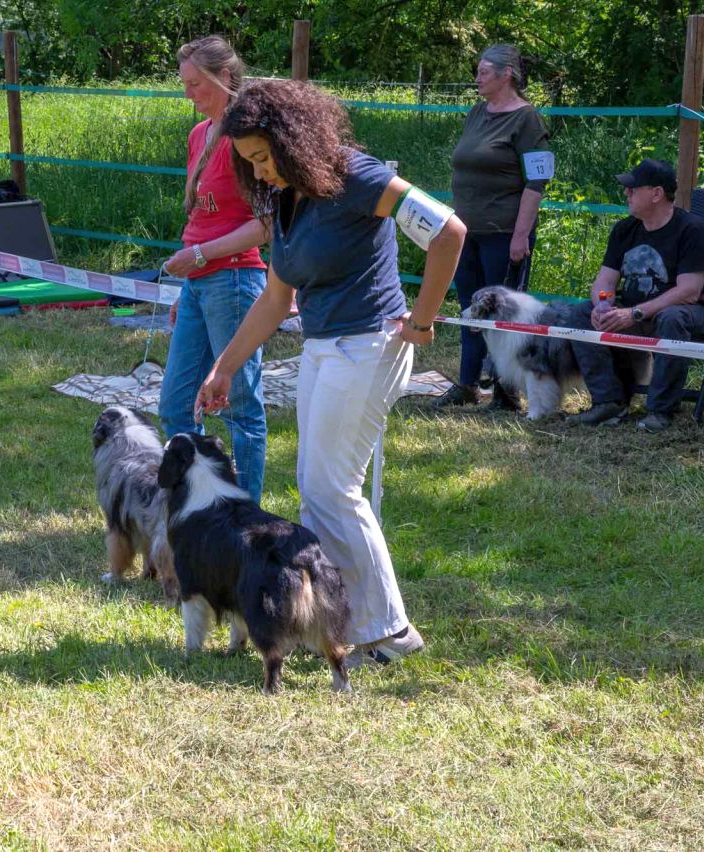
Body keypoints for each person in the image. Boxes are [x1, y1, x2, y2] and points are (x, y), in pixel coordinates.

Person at [197, 79, 467, 667]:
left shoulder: (359, 177)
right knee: (317, 488)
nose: (260, 172)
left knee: (331, 490)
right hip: (322, 348)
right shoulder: (284, 198)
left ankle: (388, 633)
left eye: (264, 158)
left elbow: (449, 232)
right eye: (249, 163)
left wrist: (422, 321)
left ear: (293, 140)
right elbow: (274, 300)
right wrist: (224, 367)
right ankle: (341, 626)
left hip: (370, 346)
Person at [158, 36, 269, 502]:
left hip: (237, 279)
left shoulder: (247, 136)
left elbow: (265, 227)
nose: (189, 94)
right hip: (201, 284)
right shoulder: (197, 134)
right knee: (176, 405)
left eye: (196, 84)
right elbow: (201, 218)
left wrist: (201, 258)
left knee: (242, 406)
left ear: (225, 78)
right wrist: (189, 284)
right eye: (184, 84)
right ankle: (199, 508)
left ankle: (247, 517)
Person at [432, 44, 552, 410]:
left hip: (504, 233)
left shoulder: (528, 120)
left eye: (484, 71)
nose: (477, 78)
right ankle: (468, 383)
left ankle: (506, 391)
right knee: (470, 308)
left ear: (507, 75)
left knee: (505, 314)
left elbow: (537, 182)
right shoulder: (477, 112)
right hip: (465, 231)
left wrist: (520, 235)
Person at [564, 158, 704, 433]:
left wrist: (634, 313)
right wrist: (602, 305)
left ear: (657, 194)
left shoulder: (691, 230)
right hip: (636, 311)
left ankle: (661, 410)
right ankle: (608, 401)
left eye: (633, 189)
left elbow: (689, 292)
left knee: (672, 317)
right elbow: (605, 279)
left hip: (691, 313)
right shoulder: (625, 229)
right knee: (581, 313)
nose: (627, 193)